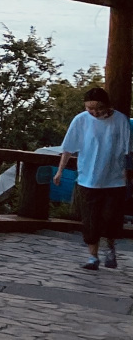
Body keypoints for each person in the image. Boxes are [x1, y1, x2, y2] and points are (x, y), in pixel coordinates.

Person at [59, 86, 129, 271]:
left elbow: (127, 150)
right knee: (90, 219)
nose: (94, 112)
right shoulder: (81, 120)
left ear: (107, 105)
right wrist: (60, 171)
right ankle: (92, 256)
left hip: (114, 179)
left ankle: (110, 247)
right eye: (90, 108)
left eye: (98, 108)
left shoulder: (120, 120)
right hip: (87, 178)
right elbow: (68, 148)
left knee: (110, 217)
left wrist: (127, 175)